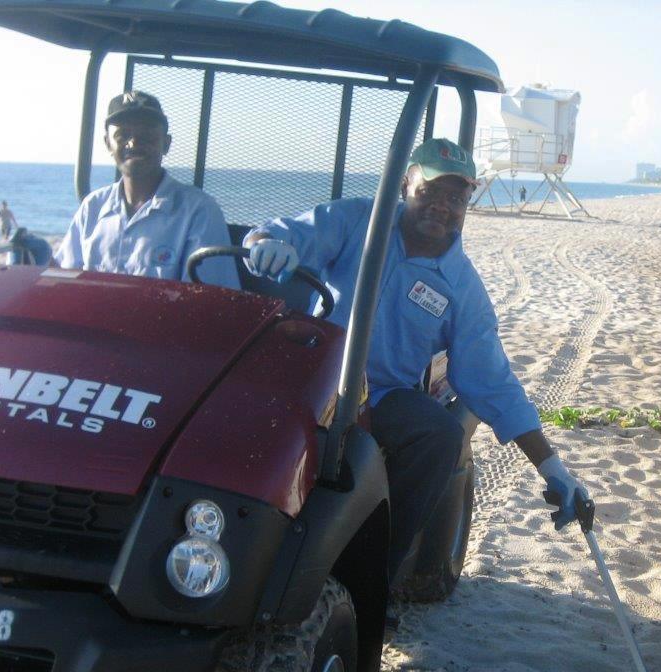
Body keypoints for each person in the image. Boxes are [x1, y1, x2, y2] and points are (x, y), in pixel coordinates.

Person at [243, 138, 589, 576]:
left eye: (456, 197)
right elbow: (275, 232)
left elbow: (493, 382)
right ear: (406, 184)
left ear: (468, 202)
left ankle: (377, 574)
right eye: (430, 191)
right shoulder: (356, 221)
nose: (441, 206)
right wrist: (266, 245)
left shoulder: (461, 286)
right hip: (314, 376)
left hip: (382, 396)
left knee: (441, 435)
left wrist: (552, 468)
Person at [55, 91, 239, 289]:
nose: (133, 143)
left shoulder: (200, 211)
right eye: (122, 135)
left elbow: (207, 303)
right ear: (108, 144)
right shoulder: (92, 207)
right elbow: (62, 281)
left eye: (147, 136)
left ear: (166, 144)